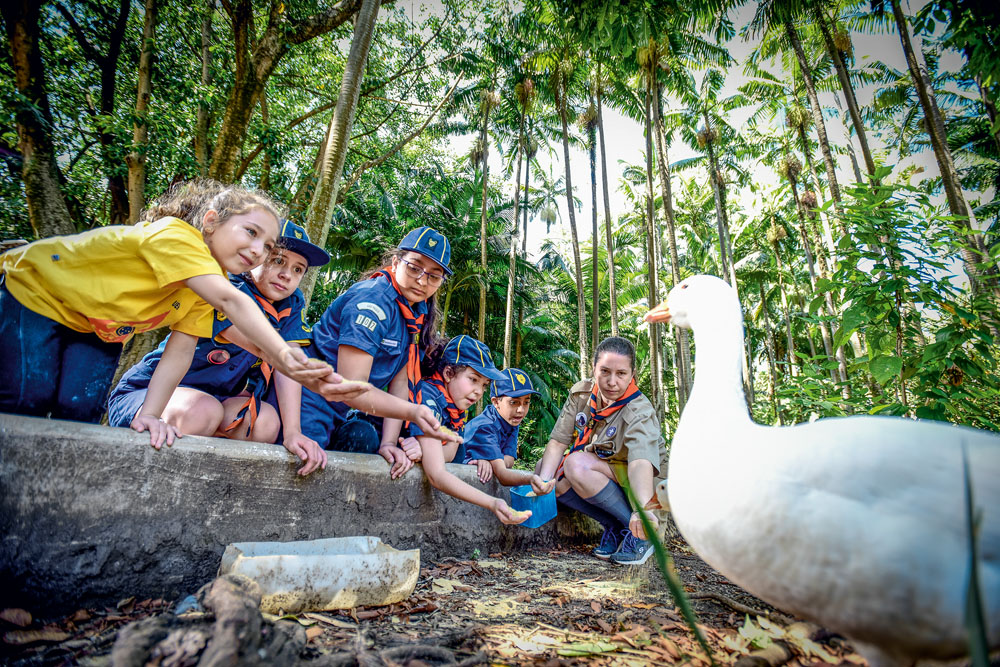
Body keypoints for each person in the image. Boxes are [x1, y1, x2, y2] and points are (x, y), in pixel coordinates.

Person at [0, 180, 360, 447]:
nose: (256, 250)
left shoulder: (201, 292)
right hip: (36, 292)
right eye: (250, 233)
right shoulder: (179, 238)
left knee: (78, 415)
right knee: (23, 403)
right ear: (211, 221)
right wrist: (284, 354)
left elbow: (180, 352)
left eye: (266, 246)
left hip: (98, 329)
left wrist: (151, 416)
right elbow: (231, 302)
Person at [107, 219, 331, 475]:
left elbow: (286, 367)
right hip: (150, 397)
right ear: (256, 255)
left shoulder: (291, 303)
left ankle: (209, 480)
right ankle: (146, 475)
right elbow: (271, 352)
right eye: (278, 260)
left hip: (217, 401)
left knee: (265, 423)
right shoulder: (223, 285)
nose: (286, 274)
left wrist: (293, 433)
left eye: (298, 269)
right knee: (202, 411)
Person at [300, 226, 460, 479]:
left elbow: (401, 381)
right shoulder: (373, 300)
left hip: (341, 412)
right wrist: (412, 412)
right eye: (414, 267)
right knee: (302, 472)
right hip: (310, 401)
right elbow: (351, 387)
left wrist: (388, 442)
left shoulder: (416, 313)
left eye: (434, 276)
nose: (422, 281)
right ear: (395, 262)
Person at [534, 337, 666, 565]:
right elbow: (558, 441)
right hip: (608, 468)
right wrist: (544, 483)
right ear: (593, 368)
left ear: (632, 374)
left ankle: (642, 533)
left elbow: (640, 462)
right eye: (605, 371)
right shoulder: (582, 395)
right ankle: (617, 525)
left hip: (644, 481)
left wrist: (643, 510)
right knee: (547, 471)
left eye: (621, 374)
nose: (612, 382)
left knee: (575, 464)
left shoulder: (639, 411)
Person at [405, 336, 534, 525]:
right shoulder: (428, 397)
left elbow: (450, 453)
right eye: (473, 379)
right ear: (448, 373)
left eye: (484, 385)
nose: (479, 391)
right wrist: (492, 503)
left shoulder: (457, 411)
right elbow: (437, 474)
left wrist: (427, 452)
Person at [463, 368, 553, 494]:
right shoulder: (485, 427)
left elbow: (509, 461)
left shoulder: (511, 421)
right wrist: (531, 478)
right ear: (496, 402)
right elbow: (502, 474)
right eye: (514, 402)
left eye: (526, 402)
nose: (521, 410)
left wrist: (494, 461)